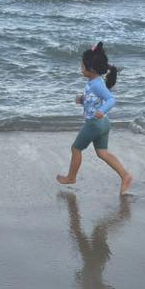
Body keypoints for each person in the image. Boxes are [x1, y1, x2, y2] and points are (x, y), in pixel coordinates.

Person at [57, 42, 133, 195]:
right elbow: (94, 98)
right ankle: (125, 175)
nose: (81, 68)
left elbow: (111, 99)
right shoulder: (94, 82)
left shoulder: (97, 84)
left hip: (95, 123)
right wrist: (83, 99)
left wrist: (102, 110)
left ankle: (71, 177)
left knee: (76, 148)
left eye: (82, 66)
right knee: (102, 153)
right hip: (103, 123)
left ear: (90, 69)